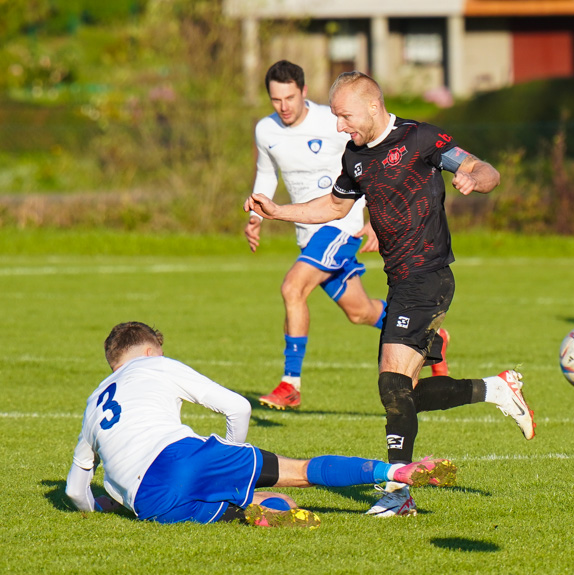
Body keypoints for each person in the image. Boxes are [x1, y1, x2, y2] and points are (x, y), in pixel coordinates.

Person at [244, 71, 536, 518]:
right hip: (400, 282)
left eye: (344, 116)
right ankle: (494, 389)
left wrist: (476, 178)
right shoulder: (356, 157)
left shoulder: (421, 139)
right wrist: (279, 210)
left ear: (373, 107)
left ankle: (399, 494)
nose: (340, 125)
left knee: (390, 382)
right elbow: (337, 205)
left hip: (430, 277)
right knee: (404, 395)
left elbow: (483, 168)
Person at [65, 322, 456, 527]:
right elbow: (237, 408)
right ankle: (395, 470)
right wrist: (237, 457)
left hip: (150, 502)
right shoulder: (156, 363)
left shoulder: (93, 402)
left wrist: (98, 509)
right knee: (301, 472)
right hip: (181, 457)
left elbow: (75, 489)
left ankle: (266, 510)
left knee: (249, 507)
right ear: (150, 350)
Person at [245, 60, 451, 411]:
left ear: (304, 92)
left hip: (341, 225)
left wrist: (374, 219)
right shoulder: (265, 130)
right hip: (308, 233)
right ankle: (432, 338)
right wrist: (256, 214)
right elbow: (267, 174)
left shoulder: (334, 119)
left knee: (293, 288)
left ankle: (289, 384)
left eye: (290, 97)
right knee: (360, 312)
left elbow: (384, 148)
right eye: (276, 99)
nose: (284, 106)